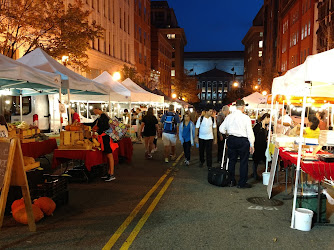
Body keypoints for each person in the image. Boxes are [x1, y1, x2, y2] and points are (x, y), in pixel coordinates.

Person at [220, 100, 255, 188]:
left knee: (232, 161)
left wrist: (227, 132)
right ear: (243, 107)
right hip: (243, 140)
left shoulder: (229, 117)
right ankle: (242, 183)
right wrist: (252, 144)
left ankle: (231, 180)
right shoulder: (246, 118)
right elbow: (249, 132)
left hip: (232, 139)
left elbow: (221, 129)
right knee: (243, 162)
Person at [85, 106, 117, 182]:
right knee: (108, 155)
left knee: (109, 155)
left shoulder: (104, 117)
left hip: (106, 138)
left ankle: (111, 174)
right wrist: (82, 124)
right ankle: (109, 173)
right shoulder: (101, 117)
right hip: (104, 138)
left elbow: (105, 128)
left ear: (98, 109)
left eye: (94, 110)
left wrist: (97, 129)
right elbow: (93, 124)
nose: (94, 112)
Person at [252, 113, 270, 180]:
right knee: (256, 160)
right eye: (269, 119)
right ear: (266, 118)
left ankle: (264, 173)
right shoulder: (258, 126)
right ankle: (255, 174)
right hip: (257, 145)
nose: (269, 120)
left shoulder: (265, 126)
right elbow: (254, 135)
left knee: (264, 159)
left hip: (263, 145)